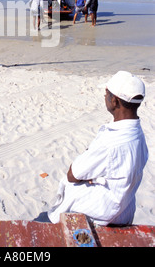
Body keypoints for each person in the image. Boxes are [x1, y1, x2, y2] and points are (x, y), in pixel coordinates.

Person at [34, 71, 148, 226]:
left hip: (99, 213)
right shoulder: (138, 134)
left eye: (106, 93)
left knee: (38, 224)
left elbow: (72, 175)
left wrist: (91, 175)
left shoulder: (112, 142)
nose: (104, 96)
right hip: (124, 209)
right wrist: (95, 177)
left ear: (114, 101)